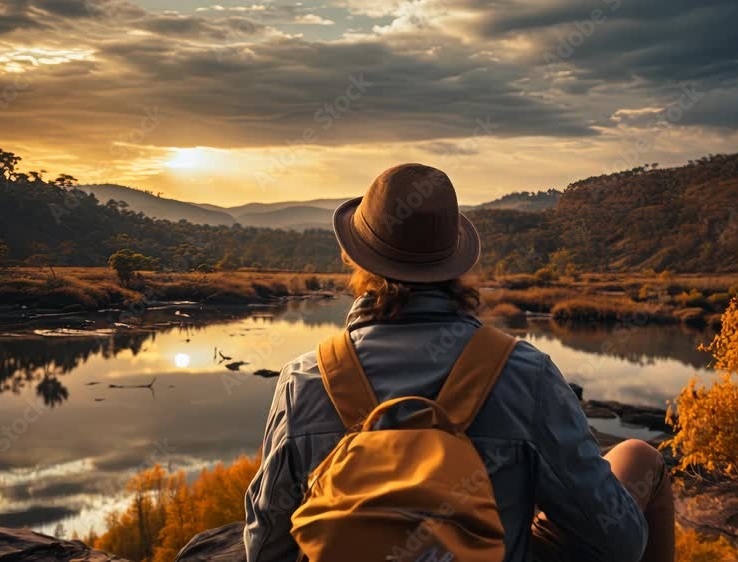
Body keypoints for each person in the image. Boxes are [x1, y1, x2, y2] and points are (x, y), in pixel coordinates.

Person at [244, 163, 675, 561]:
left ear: (356, 261)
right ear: (456, 265)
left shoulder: (304, 379)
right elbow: (618, 542)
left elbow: (265, 549)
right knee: (640, 456)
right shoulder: (526, 375)